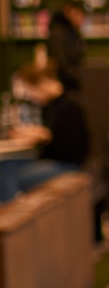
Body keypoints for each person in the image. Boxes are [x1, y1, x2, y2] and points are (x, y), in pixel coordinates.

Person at [0, 60, 91, 202]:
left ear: (43, 83)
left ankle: (14, 216)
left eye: (31, 90)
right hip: (56, 161)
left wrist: (42, 135)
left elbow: (66, 142)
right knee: (5, 167)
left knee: (11, 176)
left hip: (66, 164)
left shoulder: (67, 105)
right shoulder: (53, 106)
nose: (32, 97)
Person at [47, 0, 86, 93]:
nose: (82, 19)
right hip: (65, 85)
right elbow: (60, 62)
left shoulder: (71, 32)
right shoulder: (59, 33)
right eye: (79, 14)